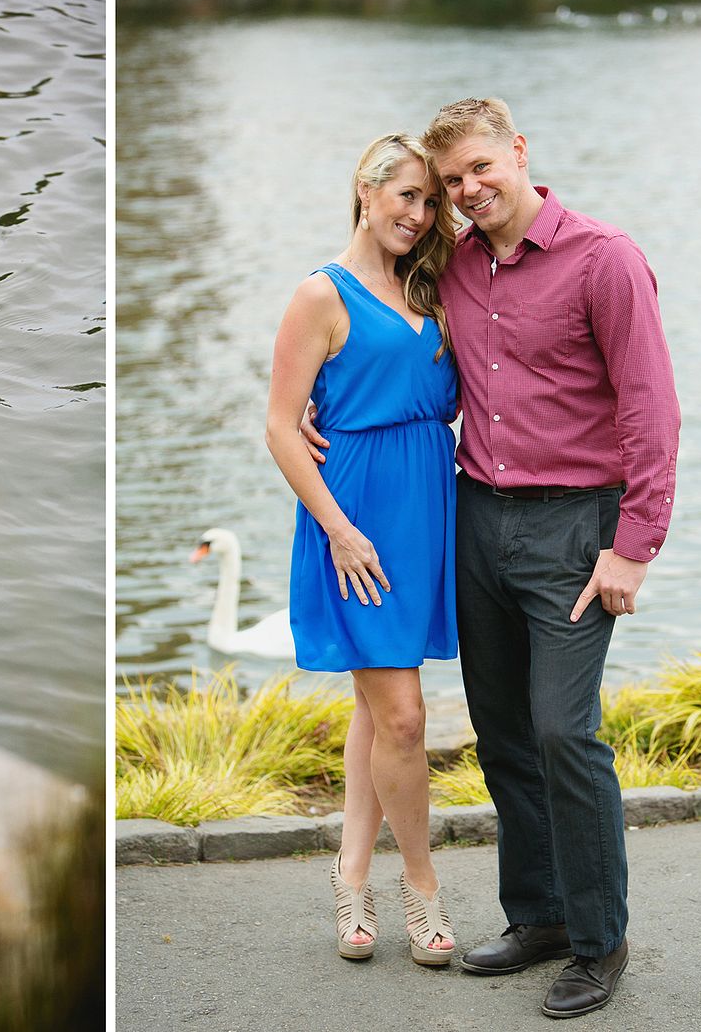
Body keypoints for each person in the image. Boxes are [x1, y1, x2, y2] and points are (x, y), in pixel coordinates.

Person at [305, 99, 680, 1018]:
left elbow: (651, 412)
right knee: (504, 731)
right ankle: (538, 916)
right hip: (474, 517)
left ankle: (598, 941)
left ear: (518, 152)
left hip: (573, 528)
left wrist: (632, 547)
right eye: (453, 181)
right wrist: (316, 407)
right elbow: (379, 339)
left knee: (563, 728)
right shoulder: (455, 267)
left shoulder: (604, 258)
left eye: (481, 168)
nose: (468, 191)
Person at [265, 133, 460, 968]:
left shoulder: (431, 285)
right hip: (356, 528)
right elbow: (279, 425)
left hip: (427, 514)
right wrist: (338, 528)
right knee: (406, 720)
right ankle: (420, 889)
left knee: (377, 710)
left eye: (428, 202)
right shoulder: (321, 293)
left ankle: (349, 876)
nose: (417, 215)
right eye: (405, 197)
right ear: (365, 190)